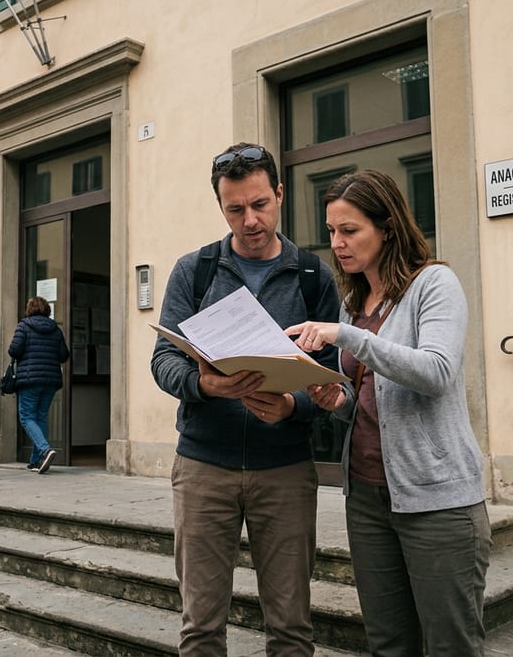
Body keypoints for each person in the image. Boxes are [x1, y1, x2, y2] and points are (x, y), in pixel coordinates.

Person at [286, 169, 490, 656]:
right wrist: (338, 401)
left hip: (437, 500)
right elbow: (373, 400)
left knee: (450, 646)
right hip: (366, 497)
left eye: (350, 230)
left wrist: (349, 338)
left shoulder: (434, 284)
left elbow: (436, 371)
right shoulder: (353, 303)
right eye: (332, 231)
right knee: (388, 644)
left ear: (388, 227)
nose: (336, 243)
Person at [150, 143, 339, 655]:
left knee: (292, 628)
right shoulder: (195, 271)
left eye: (260, 204)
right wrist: (204, 385)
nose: (250, 220)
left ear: (280, 194)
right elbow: (163, 361)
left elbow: (335, 379)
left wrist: (293, 406)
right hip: (203, 468)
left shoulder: (313, 276)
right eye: (235, 209)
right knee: (201, 628)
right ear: (220, 206)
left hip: (285, 469)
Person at [7, 296, 70, 474]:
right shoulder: (55, 329)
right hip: (50, 380)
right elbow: (64, 354)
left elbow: (13, 350)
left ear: (29, 309)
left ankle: (44, 449)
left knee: (26, 416)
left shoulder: (24, 326)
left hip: (29, 379)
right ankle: (36, 460)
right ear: (47, 310)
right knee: (40, 417)